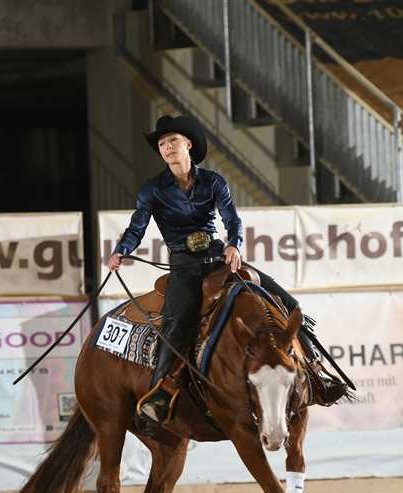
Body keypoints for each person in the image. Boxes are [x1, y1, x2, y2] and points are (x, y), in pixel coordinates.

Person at [107, 115, 346, 425]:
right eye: (162, 144)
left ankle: (316, 372)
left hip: (220, 259)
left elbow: (231, 218)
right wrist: (121, 250)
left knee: (289, 303)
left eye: (173, 140)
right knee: (176, 325)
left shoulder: (213, 181)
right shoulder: (152, 189)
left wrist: (234, 244)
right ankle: (161, 391)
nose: (166, 147)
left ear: (188, 144)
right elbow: (136, 227)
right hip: (184, 267)